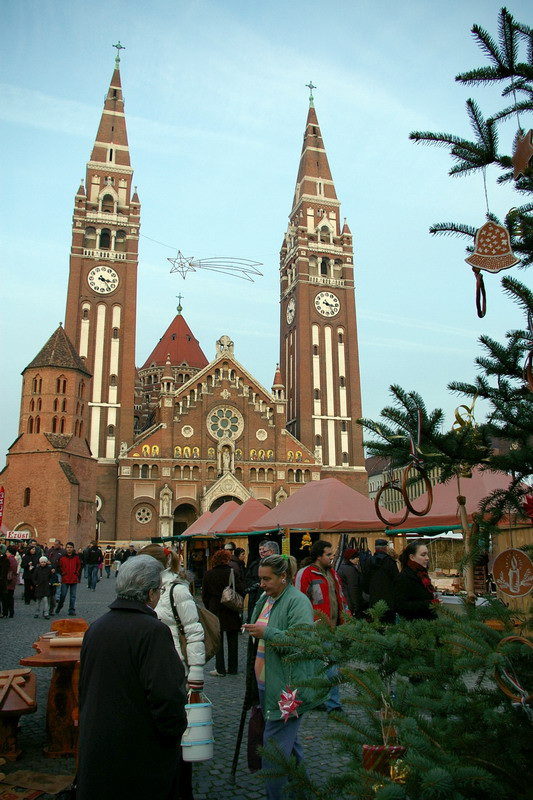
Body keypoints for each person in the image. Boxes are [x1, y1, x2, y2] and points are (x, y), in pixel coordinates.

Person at [77, 556, 188, 800]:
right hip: (140, 753)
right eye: (158, 590)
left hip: (98, 746)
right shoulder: (153, 631)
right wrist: (173, 734)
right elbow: (167, 696)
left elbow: (85, 687)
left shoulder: (96, 627)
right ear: (150, 594)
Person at [243, 554, 326, 800]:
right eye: (260, 579)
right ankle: (303, 791)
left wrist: (267, 633)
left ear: (283, 577)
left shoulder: (297, 602)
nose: (262, 584)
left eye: (267, 579)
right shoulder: (265, 598)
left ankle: (276, 795)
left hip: (287, 687)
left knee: (275, 748)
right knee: (288, 743)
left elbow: (303, 642)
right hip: (265, 683)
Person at [140, 544, 205, 800]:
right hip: (150, 669)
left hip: (176, 666)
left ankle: (180, 789)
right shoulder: (143, 591)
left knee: (177, 734)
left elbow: (194, 630)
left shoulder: (177, 589)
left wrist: (196, 674)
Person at [296, 540, 350, 713]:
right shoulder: (306, 574)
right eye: (329, 554)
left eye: (332, 554)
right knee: (329, 666)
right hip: (317, 628)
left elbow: (340, 597)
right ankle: (332, 703)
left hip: (334, 627)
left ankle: (319, 699)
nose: (332, 557)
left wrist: (346, 618)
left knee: (324, 666)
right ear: (318, 556)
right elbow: (299, 600)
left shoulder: (332, 573)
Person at [202, 549, 244, 676]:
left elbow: (205, 595)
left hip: (215, 609)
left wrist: (209, 607)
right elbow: (241, 589)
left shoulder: (208, 574)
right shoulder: (232, 572)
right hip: (231, 608)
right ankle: (233, 668)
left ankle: (220, 668)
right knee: (233, 640)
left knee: (217, 640)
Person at [395, 541, 440, 621]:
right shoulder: (404, 577)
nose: (427, 558)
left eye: (427, 554)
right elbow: (401, 605)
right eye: (423, 555)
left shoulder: (422, 574)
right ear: (412, 557)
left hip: (428, 622)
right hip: (414, 625)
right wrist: (430, 603)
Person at [362, 538, 399, 623]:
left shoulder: (368, 562)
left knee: (376, 625)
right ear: (385, 548)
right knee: (389, 626)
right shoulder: (390, 562)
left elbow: (364, 581)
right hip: (389, 602)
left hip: (373, 600)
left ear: (375, 548)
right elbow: (396, 580)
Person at [245, 539, 279, 621]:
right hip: (256, 597)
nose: (261, 552)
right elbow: (247, 579)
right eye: (260, 550)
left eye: (264, 551)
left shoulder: (278, 565)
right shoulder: (255, 564)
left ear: (271, 551)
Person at [337, 547, 367, 618]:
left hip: (345, 602)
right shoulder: (350, 570)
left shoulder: (342, 567)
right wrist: (356, 607)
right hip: (350, 603)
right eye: (356, 557)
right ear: (350, 559)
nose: (358, 559)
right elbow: (353, 588)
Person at [56, 542, 81, 616]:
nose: (69, 549)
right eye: (68, 547)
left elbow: (79, 566)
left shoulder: (76, 557)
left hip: (73, 578)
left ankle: (71, 609)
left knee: (73, 596)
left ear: (73, 548)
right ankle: (59, 606)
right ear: (65, 548)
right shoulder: (62, 557)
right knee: (63, 595)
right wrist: (63, 573)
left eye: (70, 547)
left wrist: (76, 573)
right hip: (65, 578)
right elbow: (59, 567)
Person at [3, 546, 18, 618]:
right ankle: (11, 612)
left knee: (6, 597)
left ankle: (6, 612)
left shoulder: (8, 559)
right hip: (13, 580)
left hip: (8, 580)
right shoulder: (14, 559)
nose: (6, 553)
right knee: (10, 597)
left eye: (7, 552)